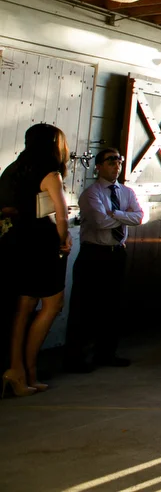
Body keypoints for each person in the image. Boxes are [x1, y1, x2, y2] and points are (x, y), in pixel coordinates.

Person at [1, 124, 72, 397]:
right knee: (53, 303)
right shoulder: (50, 173)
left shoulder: (13, 170)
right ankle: (29, 369)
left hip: (16, 240)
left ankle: (15, 371)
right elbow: (62, 214)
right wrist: (64, 239)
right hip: (42, 242)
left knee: (22, 307)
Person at [62, 146, 143, 373]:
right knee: (85, 306)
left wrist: (115, 214)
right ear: (98, 166)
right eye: (110, 161)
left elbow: (138, 217)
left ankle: (106, 352)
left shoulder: (126, 192)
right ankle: (75, 356)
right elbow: (100, 222)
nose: (116, 165)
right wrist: (123, 217)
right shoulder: (91, 193)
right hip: (94, 254)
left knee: (112, 305)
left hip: (116, 252)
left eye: (119, 160)